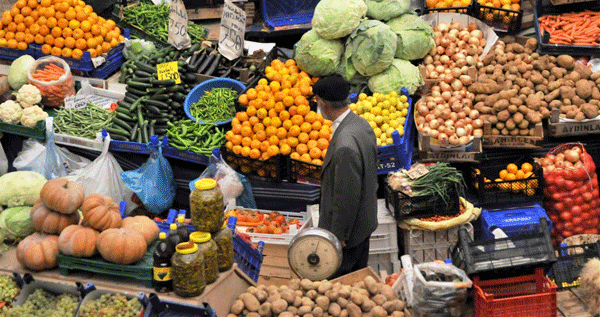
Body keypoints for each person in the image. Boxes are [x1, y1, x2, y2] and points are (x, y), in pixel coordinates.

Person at [313, 75, 379, 279]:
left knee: (343, 283)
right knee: (357, 278)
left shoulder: (345, 146)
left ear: (323, 105)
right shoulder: (360, 124)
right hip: (363, 222)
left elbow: (346, 195)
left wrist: (339, 235)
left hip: (350, 234)